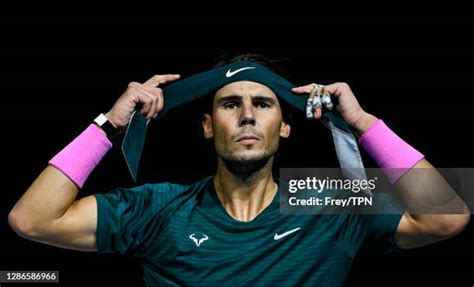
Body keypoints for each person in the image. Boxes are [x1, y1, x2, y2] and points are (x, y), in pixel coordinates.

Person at [8, 54, 470, 286]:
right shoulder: (158, 206)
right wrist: (109, 125)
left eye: (263, 104)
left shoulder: (326, 199)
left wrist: (364, 125)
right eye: (231, 104)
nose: (247, 115)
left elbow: (446, 215)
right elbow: (32, 219)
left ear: (285, 128)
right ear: (208, 126)